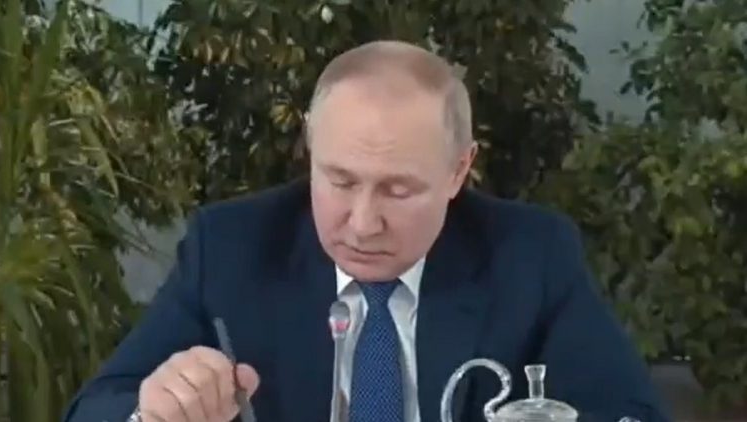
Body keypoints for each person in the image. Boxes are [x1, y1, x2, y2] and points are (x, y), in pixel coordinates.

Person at [63, 40, 670, 422]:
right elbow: (95, 409)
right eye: (339, 180)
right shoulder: (229, 249)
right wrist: (152, 413)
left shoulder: (530, 255)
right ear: (311, 147)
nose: (361, 223)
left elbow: (630, 413)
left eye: (398, 190)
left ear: (458, 170)